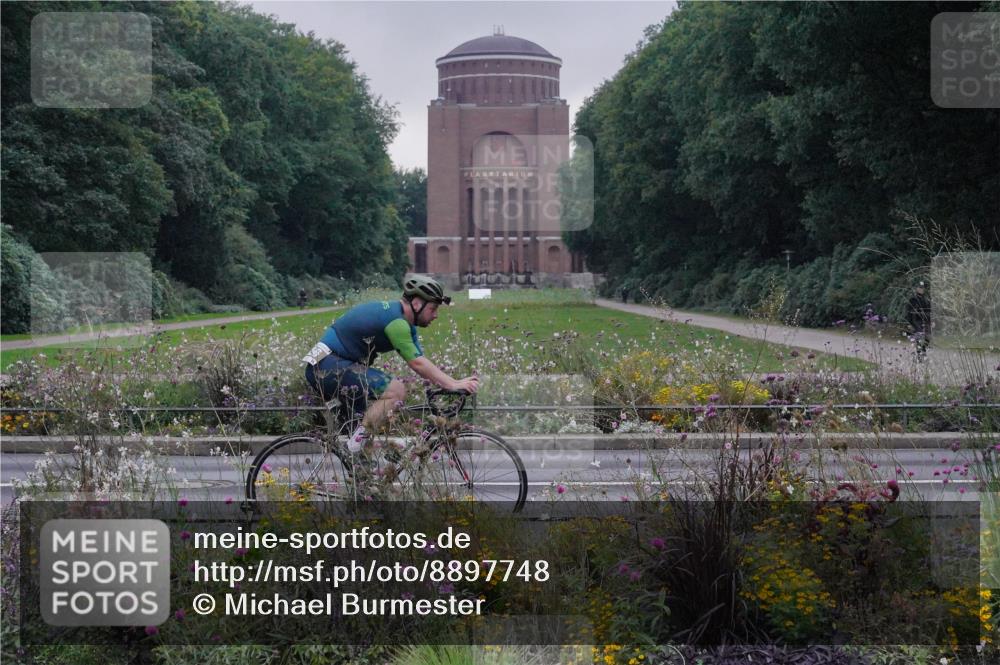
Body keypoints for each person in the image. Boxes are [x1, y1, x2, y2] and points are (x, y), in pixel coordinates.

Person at [301, 275, 478, 452]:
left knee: (364, 436)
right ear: (417, 304)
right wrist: (453, 384)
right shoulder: (397, 323)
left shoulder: (405, 323)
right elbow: (418, 364)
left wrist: (450, 382)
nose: (436, 315)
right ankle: (355, 447)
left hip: (331, 364)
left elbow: (422, 362)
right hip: (327, 365)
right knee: (395, 390)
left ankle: (359, 466)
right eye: (432, 308)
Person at [905, 281, 932, 360]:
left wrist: (932, 321)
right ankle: (919, 354)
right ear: (916, 288)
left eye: (922, 288)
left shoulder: (926, 300)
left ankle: (923, 349)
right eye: (920, 288)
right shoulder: (912, 299)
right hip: (916, 320)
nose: (921, 289)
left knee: (928, 337)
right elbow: (908, 312)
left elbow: (929, 311)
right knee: (919, 337)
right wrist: (909, 323)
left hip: (926, 320)